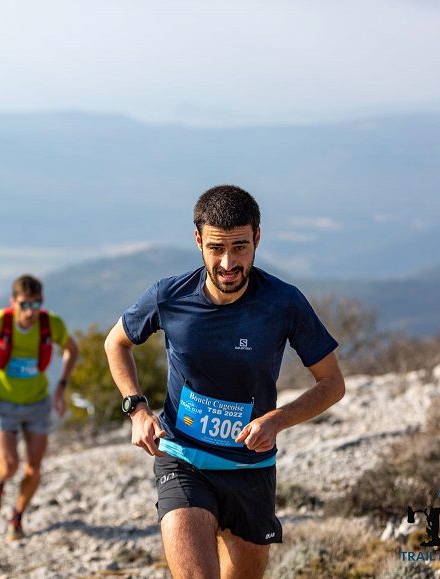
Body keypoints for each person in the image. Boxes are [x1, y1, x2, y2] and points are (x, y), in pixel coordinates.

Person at [104, 185, 345, 578]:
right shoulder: (169, 296)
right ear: (198, 241)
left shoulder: (283, 303)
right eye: (216, 248)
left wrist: (276, 421)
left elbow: (332, 383)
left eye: (240, 247)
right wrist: (137, 408)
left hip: (251, 470)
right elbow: (116, 343)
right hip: (183, 460)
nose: (228, 262)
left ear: (257, 239)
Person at [0, 274, 78, 541]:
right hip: (2, 404)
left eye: (36, 305)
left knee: (34, 468)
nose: (30, 312)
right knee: (10, 464)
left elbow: (72, 349)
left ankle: (16, 518)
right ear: (13, 302)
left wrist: (60, 387)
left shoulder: (51, 324)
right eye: (25, 305)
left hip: (37, 403)